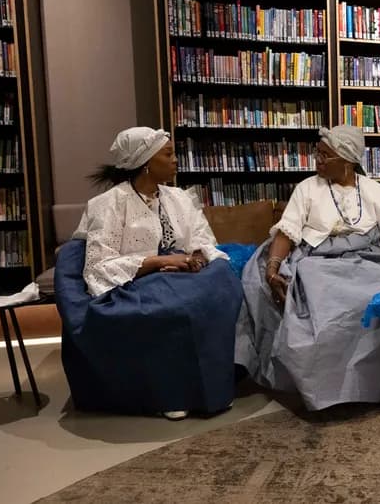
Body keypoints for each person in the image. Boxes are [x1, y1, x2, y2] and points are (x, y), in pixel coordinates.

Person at [55, 127, 242, 420]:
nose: (176, 160)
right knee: (177, 307)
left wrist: (195, 257)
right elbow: (98, 266)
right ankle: (171, 393)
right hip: (135, 279)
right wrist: (157, 262)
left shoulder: (179, 198)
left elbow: (203, 239)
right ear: (145, 163)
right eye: (168, 154)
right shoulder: (109, 204)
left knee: (221, 284)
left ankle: (210, 387)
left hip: (181, 273)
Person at [235, 125, 380, 410]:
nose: (318, 160)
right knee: (321, 297)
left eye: (325, 155)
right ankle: (325, 390)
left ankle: (368, 384)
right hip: (318, 260)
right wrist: (273, 267)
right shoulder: (307, 188)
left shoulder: (375, 190)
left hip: (366, 258)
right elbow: (287, 232)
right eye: (318, 153)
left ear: (347, 161)